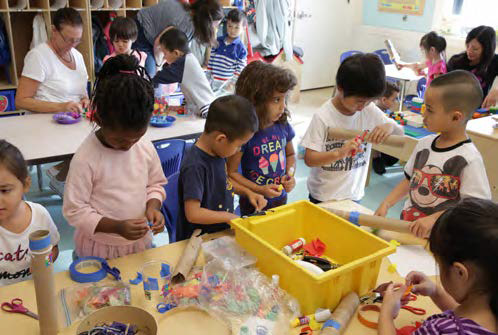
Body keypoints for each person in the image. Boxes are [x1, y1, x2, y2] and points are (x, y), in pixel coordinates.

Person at [62, 55, 167, 259]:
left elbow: (155, 184)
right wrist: (116, 227)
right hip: (99, 248)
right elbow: (75, 210)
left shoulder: (144, 147)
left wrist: (153, 207)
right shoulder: (86, 158)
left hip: (138, 244)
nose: (128, 146)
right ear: (98, 118)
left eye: (136, 138)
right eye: (120, 141)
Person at [375, 71, 491, 238]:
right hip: (409, 229)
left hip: (442, 239)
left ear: (455, 117)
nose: (424, 114)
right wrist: (387, 203)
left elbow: (473, 206)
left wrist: (434, 219)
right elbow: (409, 180)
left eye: (429, 110)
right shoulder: (424, 145)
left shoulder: (469, 159)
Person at [379, 198, 498, 335]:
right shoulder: (489, 312)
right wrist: (436, 292)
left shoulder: (438, 330)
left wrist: (386, 315)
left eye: (439, 264)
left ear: (459, 273)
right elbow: (467, 318)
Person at [301, 53, 404, 204]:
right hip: (324, 196)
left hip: (354, 195)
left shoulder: (369, 110)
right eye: (359, 101)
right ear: (340, 89)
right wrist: (339, 153)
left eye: (369, 101)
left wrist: (388, 126)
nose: (362, 107)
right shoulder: (323, 116)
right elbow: (310, 159)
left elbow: (399, 132)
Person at [177, 95, 267, 241]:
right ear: (221, 139)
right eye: (238, 145)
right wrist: (229, 217)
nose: (239, 150)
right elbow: (193, 213)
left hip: (218, 235)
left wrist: (248, 192)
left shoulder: (217, 151)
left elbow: (223, 183)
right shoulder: (195, 166)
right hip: (197, 240)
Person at [227, 61, 296, 216]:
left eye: (284, 99)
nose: (283, 106)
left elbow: (291, 155)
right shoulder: (245, 133)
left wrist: (290, 175)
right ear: (255, 101)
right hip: (253, 204)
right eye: (276, 100)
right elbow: (231, 172)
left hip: (280, 200)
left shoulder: (282, 125)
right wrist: (260, 190)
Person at [0, 140, 59, 286]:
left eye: (4, 190)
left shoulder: (40, 215)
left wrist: (44, 263)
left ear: (25, 185)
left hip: (34, 289)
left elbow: (54, 249)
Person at [15, 7, 89, 114]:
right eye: (68, 40)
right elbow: (21, 101)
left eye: (77, 40)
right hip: (45, 124)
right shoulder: (38, 56)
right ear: (54, 31)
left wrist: (85, 100)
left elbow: (81, 92)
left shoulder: (78, 56)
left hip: (73, 122)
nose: (72, 45)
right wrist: (61, 107)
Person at [133, 0, 223, 76]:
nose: (215, 29)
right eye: (215, 25)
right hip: (141, 32)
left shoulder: (191, 13)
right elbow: (159, 45)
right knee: (150, 74)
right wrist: (158, 66)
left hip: (152, 33)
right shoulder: (185, 25)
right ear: (206, 22)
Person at [153, 28, 214, 117]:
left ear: (176, 53)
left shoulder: (183, 63)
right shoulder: (188, 58)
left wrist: (158, 65)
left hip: (206, 110)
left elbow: (157, 78)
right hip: (199, 107)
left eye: (165, 53)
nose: (164, 58)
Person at [448, 25, 498, 109]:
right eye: (468, 46)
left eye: (475, 49)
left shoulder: (494, 61)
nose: (469, 51)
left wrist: (496, 90)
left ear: (486, 50)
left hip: (477, 113)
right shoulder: (456, 61)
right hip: (452, 108)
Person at [207, 8, 247, 91]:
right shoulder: (218, 41)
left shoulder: (241, 49)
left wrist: (232, 83)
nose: (232, 30)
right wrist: (208, 77)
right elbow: (211, 61)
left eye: (237, 27)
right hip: (212, 82)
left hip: (227, 86)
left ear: (243, 28)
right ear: (226, 25)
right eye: (230, 26)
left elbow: (240, 71)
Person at [373, 82, 401, 175]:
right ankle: (375, 159)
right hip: (375, 148)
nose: (396, 102)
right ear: (384, 100)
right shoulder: (376, 114)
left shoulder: (380, 110)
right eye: (394, 99)